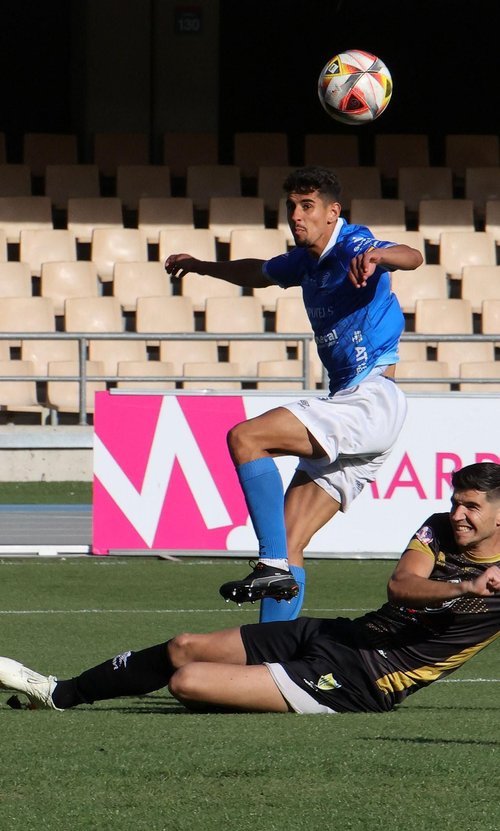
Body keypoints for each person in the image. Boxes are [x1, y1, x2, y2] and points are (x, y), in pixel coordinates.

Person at [0, 462, 500, 717]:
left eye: (472, 509)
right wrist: (464, 591)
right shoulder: (435, 530)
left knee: (187, 682)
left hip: (367, 681)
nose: (457, 516)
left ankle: (251, 693)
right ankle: (60, 692)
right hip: (341, 632)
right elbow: (401, 584)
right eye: (455, 504)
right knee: (182, 645)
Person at [163, 166, 422, 623]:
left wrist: (380, 257)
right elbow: (257, 273)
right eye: (291, 207)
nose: (296, 217)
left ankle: (271, 564)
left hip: (371, 399)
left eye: (307, 207)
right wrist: (203, 267)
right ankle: (272, 662)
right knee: (290, 536)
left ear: (332, 213)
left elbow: (413, 255)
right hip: (358, 407)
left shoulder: (354, 243)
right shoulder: (305, 262)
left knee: (246, 438)